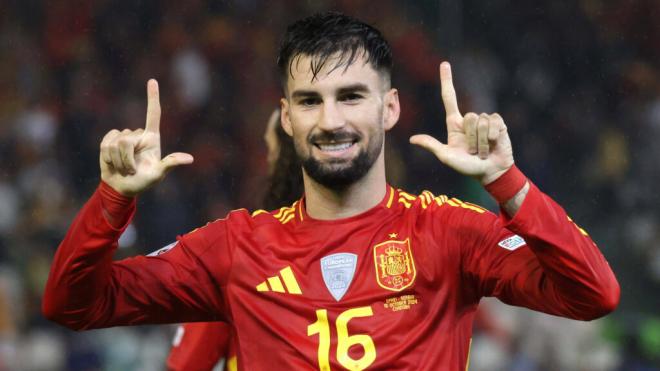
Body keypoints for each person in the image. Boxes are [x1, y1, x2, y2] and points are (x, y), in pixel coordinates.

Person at [43, 12, 619, 370]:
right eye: (309, 101)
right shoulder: (235, 247)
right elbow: (72, 304)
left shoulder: (450, 232)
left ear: (389, 108)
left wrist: (507, 183)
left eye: (351, 96)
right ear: (286, 117)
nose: (330, 121)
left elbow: (593, 294)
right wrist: (112, 200)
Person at [166, 109, 302, 371]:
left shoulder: (240, 258)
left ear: (283, 162)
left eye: (270, 151)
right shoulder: (374, 247)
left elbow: (185, 365)